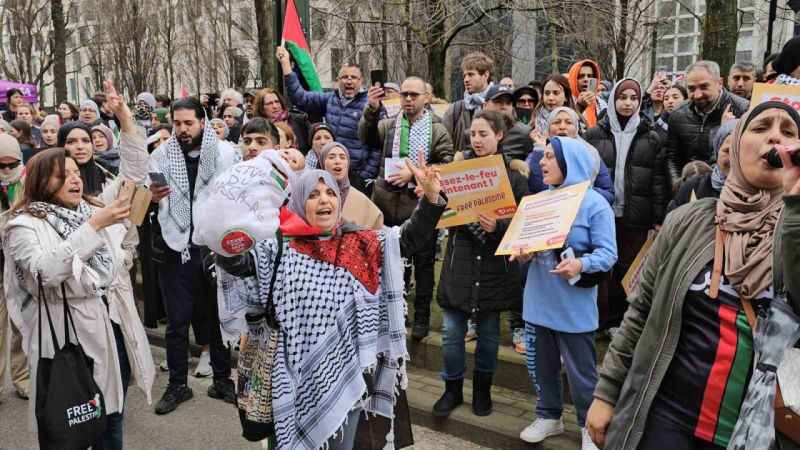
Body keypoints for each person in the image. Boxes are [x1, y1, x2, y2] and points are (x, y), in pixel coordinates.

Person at [585, 100, 800, 450]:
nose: (775, 137)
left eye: (788, 132)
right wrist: (606, 393)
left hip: (757, 430)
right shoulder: (688, 221)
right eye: (761, 128)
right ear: (735, 147)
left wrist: (796, 212)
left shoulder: (795, 227)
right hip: (667, 418)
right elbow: (640, 313)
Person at [214, 161, 446, 450]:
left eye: (330, 193)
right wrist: (223, 226)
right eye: (313, 195)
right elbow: (236, 262)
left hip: (348, 379)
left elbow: (407, 239)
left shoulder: (361, 242)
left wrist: (432, 199)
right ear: (298, 202)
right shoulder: (277, 246)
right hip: (292, 381)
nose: (324, 199)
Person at [4, 81, 154, 449]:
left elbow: (133, 179)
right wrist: (94, 227)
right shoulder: (24, 224)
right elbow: (44, 271)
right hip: (58, 330)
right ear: (41, 181)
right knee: (67, 423)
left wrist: (124, 117)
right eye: (63, 172)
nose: (74, 177)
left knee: (110, 416)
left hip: (101, 322)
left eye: (75, 171)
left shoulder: (88, 207)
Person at [516, 136, 617, 450]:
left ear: (570, 162)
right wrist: (522, 253)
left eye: (549, 157)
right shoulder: (539, 200)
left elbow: (609, 253)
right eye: (542, 156)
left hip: (573, 303)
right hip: (538, 298)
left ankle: (589, 426)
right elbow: (526, 244)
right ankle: (549, 415)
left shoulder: (594, 203)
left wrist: (581, 264)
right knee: (542, 365)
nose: (541, 163)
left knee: (581, 372)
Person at [432, 110, 529, 418]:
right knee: (451, 333)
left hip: (493, 268)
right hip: (459, 263)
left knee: (488, 336)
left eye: (483, 134)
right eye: (472, 134)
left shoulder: (514, 178)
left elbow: (524, 221)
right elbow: (440, 211)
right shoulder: (457, 173)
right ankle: (451, 390)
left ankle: (482, 392)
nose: (476, 140)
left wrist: (497, 227)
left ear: (499, 135)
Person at [148, 97, 239, 415]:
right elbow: (149, 197)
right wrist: (150, 195)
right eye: (177, 123)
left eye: (189, 123)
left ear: (203, 121)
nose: (183, 129)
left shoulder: (226, 154)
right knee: (177, 321)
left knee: (218, 316)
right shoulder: (160, 155)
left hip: (213, 246)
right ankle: (177, 385)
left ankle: (223, 380)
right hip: (175, 247)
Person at [359, 76, 454, 339]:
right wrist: (371, 109)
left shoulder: (438, 129)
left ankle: (422, 319)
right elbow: (365, 136)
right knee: (391, 264)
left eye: (414, 95)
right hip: (387, 205)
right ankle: (396, 316)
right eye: (404, 95)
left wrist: (412, 175)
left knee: (423, 267)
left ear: (426, 97)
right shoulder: (390, 124)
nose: (409, 99)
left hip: (420, 209)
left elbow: (445, 167)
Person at [584, 78, 669, 330]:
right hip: (602, 214)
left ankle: (620, 322)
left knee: (628, 268)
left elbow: (657, 180)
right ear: (613, 99)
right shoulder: (594, 134)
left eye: (633, 98)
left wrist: (658, 217)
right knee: (601, 266)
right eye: (623, 97)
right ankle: (598, 319)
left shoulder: (651, 136)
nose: (628, 103)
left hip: (636, 215)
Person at [276, 46, 379, 192]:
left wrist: (365, 175)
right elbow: (300, 97)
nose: (349, 81)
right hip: (330, 173)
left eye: (354, 77)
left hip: (357, 176)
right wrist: (286, 64)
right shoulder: (329, 99)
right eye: (344, 77)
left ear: (361, 80)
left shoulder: (371, 105)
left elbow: (377, 144)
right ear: (338, 80)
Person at [665, 60, 749, 187]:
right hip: (688, 191)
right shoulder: (678, 114)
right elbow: (673, 158)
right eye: (691, 89)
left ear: (719, 83)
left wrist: (726, 132)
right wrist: (678, 186)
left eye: (704, 87)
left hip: (727, 191)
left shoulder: (743, 110)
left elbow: (746, 160)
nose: (698, 95)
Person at [527, 107, 615, 205]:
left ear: (576, 129)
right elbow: (535, 190)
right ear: (548, 129)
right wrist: (540, 150)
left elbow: (609, 194)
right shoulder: (540, 152)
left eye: (569, 122)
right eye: (556, 122)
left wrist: (580, 193)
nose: (562, 127)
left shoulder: (590, 153)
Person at [0, 134, 29, 404]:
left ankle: (23, 379)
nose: (7, 170)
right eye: (1, 165)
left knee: (20, 325)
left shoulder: (27, 184)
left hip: (20, 267)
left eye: (13, 164)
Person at [667, 120, 735, 214]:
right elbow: (673, 222)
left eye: (738, 151)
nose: (732, 158)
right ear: (717, 151)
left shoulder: (757, 192)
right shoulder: (694, 186)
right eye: (727, 151)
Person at [319, 141, 384, 229]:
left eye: (342, 157)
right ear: (322, 163)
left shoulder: (362, 201)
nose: (338, 161)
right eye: (331, 157)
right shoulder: (313, 195)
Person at [442, 51, 495, 154]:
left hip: (493, 167)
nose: (466, 79)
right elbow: (444, 145)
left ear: (485, 75)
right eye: (464, 75)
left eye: (471, 74)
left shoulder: (499, 104)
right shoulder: (455, 109)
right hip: (462, 168)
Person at [482, 84, 533, 161]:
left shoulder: (525, 133)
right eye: (498, 101)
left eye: (508, 103)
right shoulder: (474, 132)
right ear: (485, 105)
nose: (504, 106)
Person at [252, 87, 310, 152]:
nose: (275, 106)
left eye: (277, 102)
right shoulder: (258, 128)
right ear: (261, 108)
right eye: (269, 103)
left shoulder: (299, 120)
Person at [568, 59, 606, 128]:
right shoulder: (566, 101)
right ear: (573, 79)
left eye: (590, 76)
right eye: (581, 76)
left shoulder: (601, 104)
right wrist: (579, 106)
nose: (586, 79)